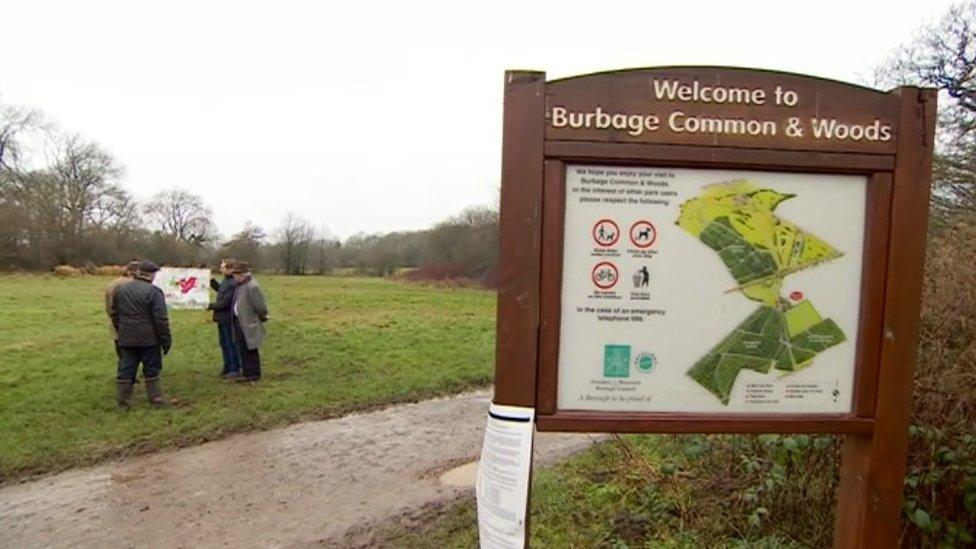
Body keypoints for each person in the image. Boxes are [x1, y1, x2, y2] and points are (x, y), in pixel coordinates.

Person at [111, 259, 172, 408]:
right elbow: (160, 319)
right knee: (152, 368)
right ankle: (156, 398)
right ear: (151, 275)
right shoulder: (154, 292)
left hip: (126, 337)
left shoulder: (120, 289)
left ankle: (123, 400)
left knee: (126, 367)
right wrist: (165, 339)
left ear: (138, 273)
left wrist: (122, 330)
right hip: (149, 339)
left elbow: (114, 314)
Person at [230, 261, 268, 382]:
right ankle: (246, 373)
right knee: (243, 349)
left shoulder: (252, 286)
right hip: (239, 321)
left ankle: (254, 374)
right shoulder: (240, 285)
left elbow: (260, 306)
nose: (234, 277)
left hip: (249, 323)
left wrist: (262, 316)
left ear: (243, 274)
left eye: (236, 274)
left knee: (251, 349)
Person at [207, 259, 241, 378]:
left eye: (223, 267)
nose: (220, 269)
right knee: (224, 344)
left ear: (230, 269)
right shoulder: (226, 281)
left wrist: (210, 306)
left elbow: (225, 303)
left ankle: (235, 368)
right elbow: (221, 290)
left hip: (228, 318)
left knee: (231, 343)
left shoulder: (233, 283)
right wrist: (212, 281)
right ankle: (227, 367)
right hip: (221, 318)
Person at [104, 259, 140, 363]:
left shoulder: (111, 284)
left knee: (122, 353)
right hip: (134, 325)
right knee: (134, 354)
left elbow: (108, 307)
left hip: (116, 325)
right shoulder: (136, 284)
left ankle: (124, 375)